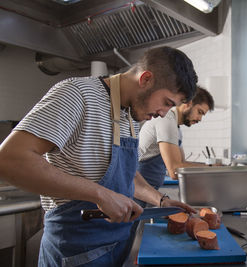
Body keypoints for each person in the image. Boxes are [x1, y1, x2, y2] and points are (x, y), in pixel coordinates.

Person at [0, 46, 198, 266]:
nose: (163, 113)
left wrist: (161, 201)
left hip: (117, 246)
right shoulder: (77, 94)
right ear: (146, 79)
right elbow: (10, 159)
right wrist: (100, 195)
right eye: (167, 103)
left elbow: (128, 176)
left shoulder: (130, 117)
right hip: (74, 252)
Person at [137, 86, 214, 192]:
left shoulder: (177, 128)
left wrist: (211, 167)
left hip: (150, 189)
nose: (200, 119)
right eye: (199, 112)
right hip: (138, 188)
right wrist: (212, 169)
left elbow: (182, 162)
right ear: (188, 104)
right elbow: (175, 170)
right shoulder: (167, 120)